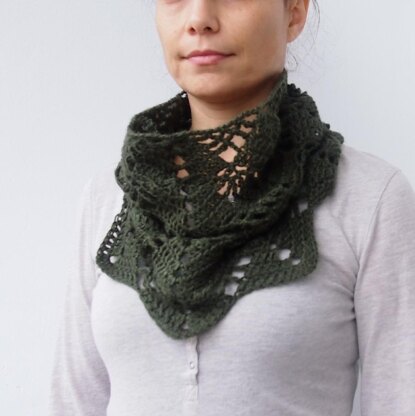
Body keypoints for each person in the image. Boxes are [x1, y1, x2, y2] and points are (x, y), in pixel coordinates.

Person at [47, 1, 415, 415]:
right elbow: (73, 404)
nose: (199, 18)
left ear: (294, 13)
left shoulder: (370, 198)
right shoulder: (107, 198)